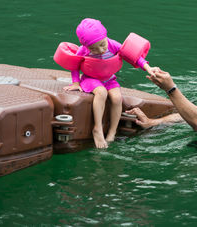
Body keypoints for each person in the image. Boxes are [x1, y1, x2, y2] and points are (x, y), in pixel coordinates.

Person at [63, 18, 156, 148]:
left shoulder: (112, 44)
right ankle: (98, 129)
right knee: (101, 92)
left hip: (108, 79)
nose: (100, 50)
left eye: (102, 45)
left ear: (105, 36)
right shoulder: (83, 50)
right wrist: (76, 83)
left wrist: (148, 68)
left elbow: (134, 57)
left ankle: (112, 132)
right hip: (90, 79)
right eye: (94, 49)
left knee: (117, 98)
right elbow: (74, 65)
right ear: (86, 46)